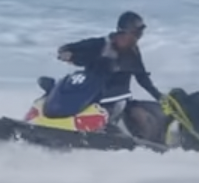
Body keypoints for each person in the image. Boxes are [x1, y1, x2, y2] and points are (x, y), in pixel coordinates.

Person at [52, 11, 167, 143]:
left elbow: (142, 79)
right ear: (123, 32)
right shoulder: (99, 44)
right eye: (135, 34)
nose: (137, 39)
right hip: (92, 98)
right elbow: (67, 48)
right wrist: (68, 54)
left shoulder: (133, 52)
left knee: (140, 116)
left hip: (119, 100)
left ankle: (141, 145)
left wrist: (160, 97)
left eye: (139, 35)